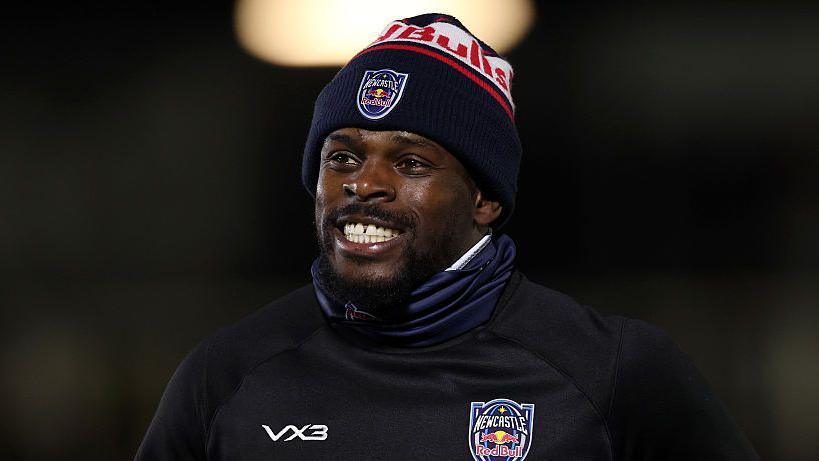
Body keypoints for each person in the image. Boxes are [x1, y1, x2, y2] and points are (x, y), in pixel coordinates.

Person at [136, 13, 758, 460]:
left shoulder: (613, 371)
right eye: (343, 157)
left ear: (485, 198)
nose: (365, 184)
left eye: (410, 164)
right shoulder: (226, 376)